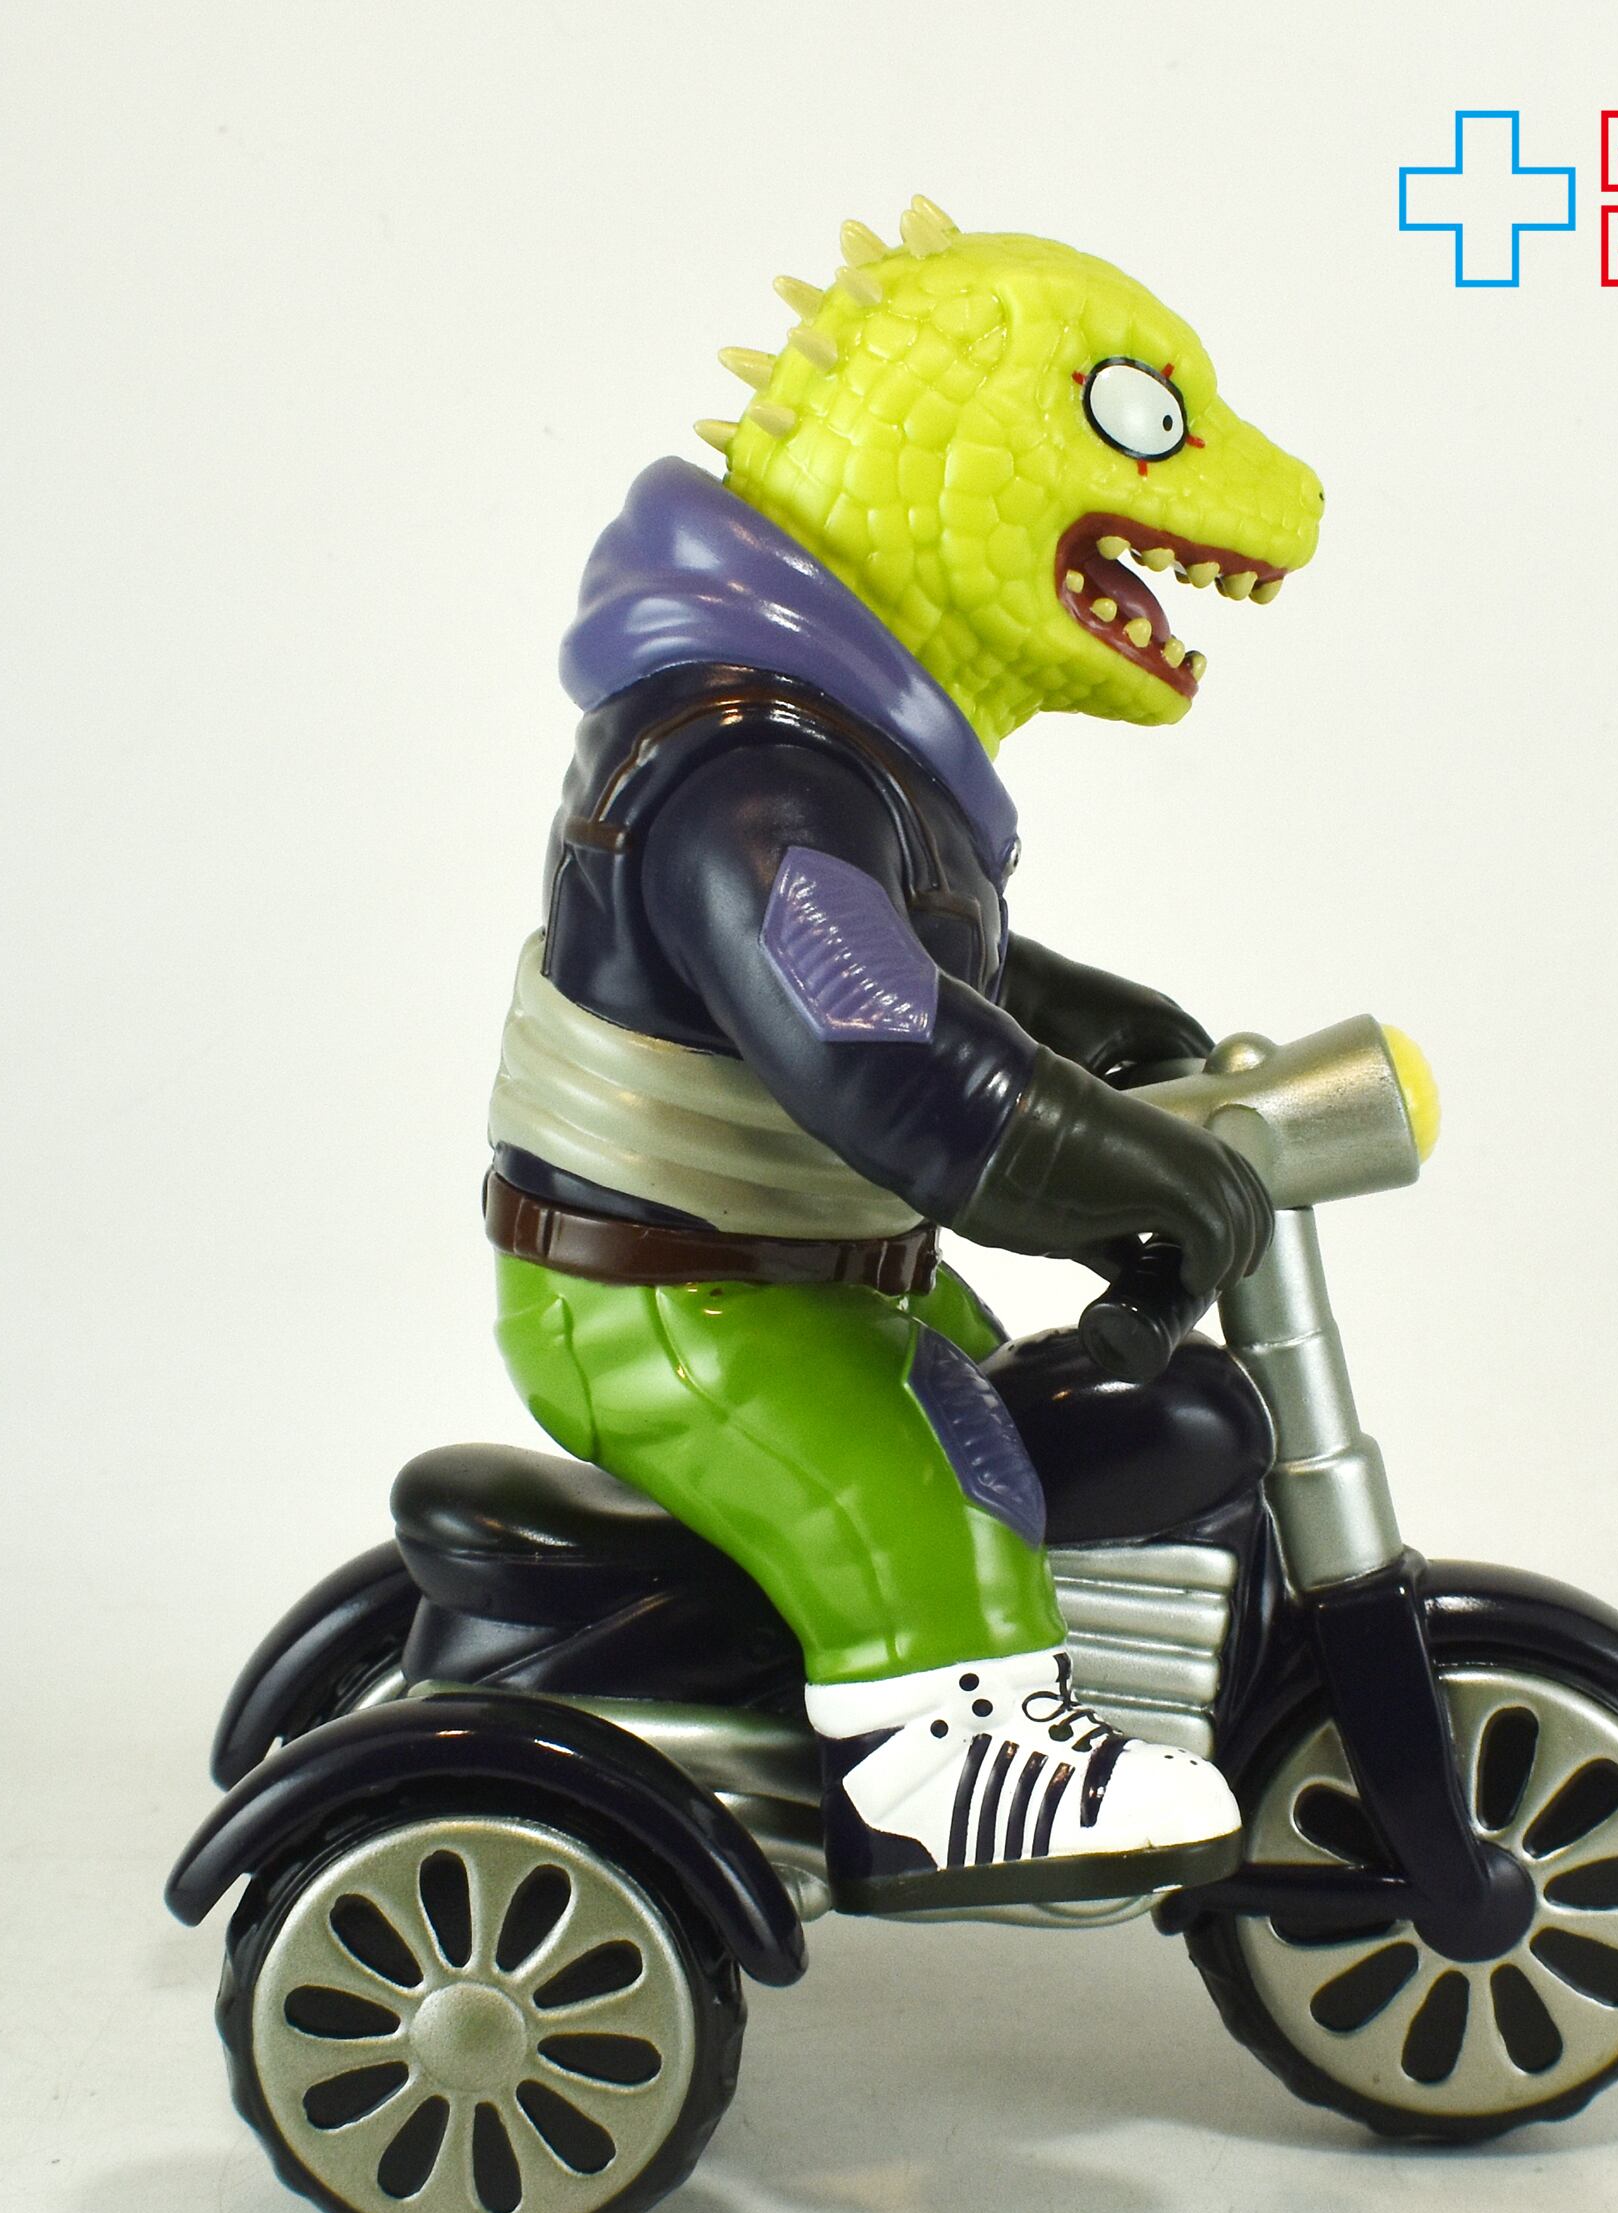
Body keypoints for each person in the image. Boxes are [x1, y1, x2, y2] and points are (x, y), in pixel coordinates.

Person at [486, 200, 1322, 1913]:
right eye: (1143, 420)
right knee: (933, 1498)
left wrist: (1098, 1043)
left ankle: (1050, 1671)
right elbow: (881, 1046)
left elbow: (912, 962)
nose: (1250, 481)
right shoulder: (750, 773)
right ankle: (957, 1771)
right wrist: (1126, 1166)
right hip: (676, 1305)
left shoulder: (839, 758)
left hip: (794, 1270)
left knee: (1043, 1419)